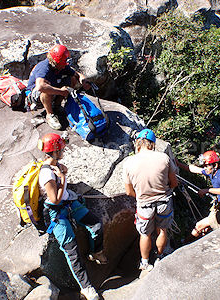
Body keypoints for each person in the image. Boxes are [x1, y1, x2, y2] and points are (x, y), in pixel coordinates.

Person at [37, 133, 107, 300]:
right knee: (72, 251)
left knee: (96, 225)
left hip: (69, 204)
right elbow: (54, 199)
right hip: (56, 213)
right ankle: (86, 287)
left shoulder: (56, 165)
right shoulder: (47, 174)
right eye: (61, 148)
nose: (64, 149)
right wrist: (62, 178)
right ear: (54, 151)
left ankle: (96, 251)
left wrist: (63, 173)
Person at [123, 129, 178, 271]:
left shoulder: (129, 162)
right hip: (164, 201)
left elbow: (129, 191)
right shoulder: (163, 158)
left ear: (138, 143)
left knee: (145, 234)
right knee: (162, 231)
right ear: (152, 144)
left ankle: (145, 263)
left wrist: (141, 196)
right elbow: (174, 183)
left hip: (144, 204)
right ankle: (159, 257)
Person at [177, 150, 220, 241]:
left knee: (199, 226)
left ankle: (184, 244)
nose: (205, 168)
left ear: (215, 165)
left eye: (207, 165)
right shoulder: (211, 172)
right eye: (204, 166)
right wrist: (178, 164)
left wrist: (207, 190)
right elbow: (195, 169)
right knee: (204, 230)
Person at [26, 44, 91, 130]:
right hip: (34, 96)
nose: (65, 65)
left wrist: (83, 80)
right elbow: (40, 87)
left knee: (72, 78)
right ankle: (49, 114)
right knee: (46, 88)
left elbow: (76, 74)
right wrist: (61, 91)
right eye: (63, 62)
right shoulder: (44, 67)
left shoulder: (60, 66)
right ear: (56, 62)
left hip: (51, 89)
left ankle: (56, 106)